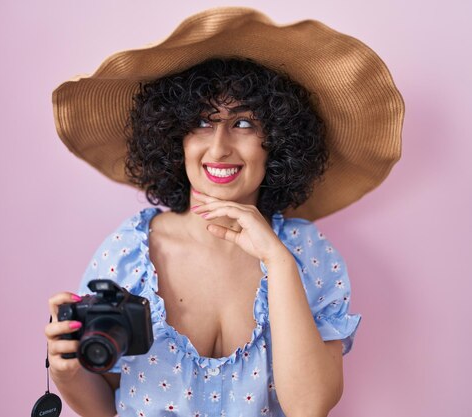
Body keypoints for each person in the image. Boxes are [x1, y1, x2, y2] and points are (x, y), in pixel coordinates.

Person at [45, 7, 404, 417]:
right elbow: (107, 408)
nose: (218, 148)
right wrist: (68, 372)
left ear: (281, 140)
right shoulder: (127, 252)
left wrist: (277, 261)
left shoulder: (307, 252)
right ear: (171, 135)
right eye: (201, 121)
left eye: (245, 124)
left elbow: (309, 407)